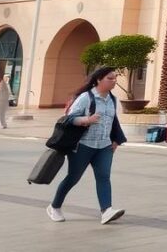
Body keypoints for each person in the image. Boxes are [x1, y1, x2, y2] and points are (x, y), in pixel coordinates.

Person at [47, 66, 127, 225]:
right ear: (99, 79)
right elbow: (69, 118)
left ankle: (106, 211)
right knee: (73, 178)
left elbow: (113, 121)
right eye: (110, 78)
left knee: (104, 177)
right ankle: (54, 206)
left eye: (115, 78)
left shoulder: (112, 99)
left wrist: (116, 140)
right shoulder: (86, 97)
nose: (114, 81)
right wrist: (86, 120)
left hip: (104, 146)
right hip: (83, 145)